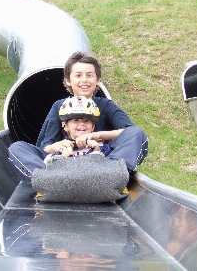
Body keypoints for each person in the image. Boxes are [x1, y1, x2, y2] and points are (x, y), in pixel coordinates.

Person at [8, 51, 148, 182]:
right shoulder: (59, 106)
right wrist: (57, 146)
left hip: (98, 163)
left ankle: (112, 175)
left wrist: (95, 136)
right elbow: (44, 146)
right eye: (78, 75)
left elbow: (129, 131)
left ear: (98, 80)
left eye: (89, 75)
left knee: (137, 133)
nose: (84, 80)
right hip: (64, 164)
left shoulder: (106, 105)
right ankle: (46, 180)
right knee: (17, 147)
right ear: (68, 80)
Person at [43, 96, 115, 165]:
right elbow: (46, 172)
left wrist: (98, 152)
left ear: (93, 126)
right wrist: (63, 157)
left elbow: (114, 170)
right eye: (76, 120)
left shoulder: (103, 148)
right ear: (65, 126)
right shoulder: (59, 150)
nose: (82, 123)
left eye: (86, 120)